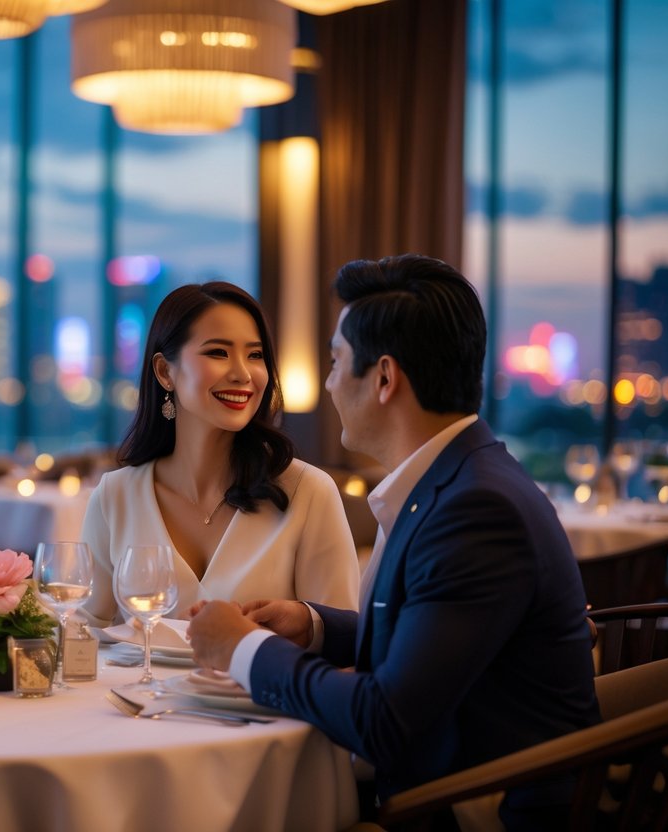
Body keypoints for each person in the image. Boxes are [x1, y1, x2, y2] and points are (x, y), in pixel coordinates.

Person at [188, 255, 600, 830]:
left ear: (384, 378)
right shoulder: (460, 479)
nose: (329, 383)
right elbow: (435, 637)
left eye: (336, 362)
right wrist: (313, 626)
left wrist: (242, 650)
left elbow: (385, 722)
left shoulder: (477, 511)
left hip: (468, 812)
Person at [80, 281, 360, 627]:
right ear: (165, 371)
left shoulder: (309, 492)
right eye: (218, 352)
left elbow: (341, 640)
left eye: (255, 355)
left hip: (263, 684)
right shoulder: (115, 496)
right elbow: (84, 636)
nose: (243, 374)